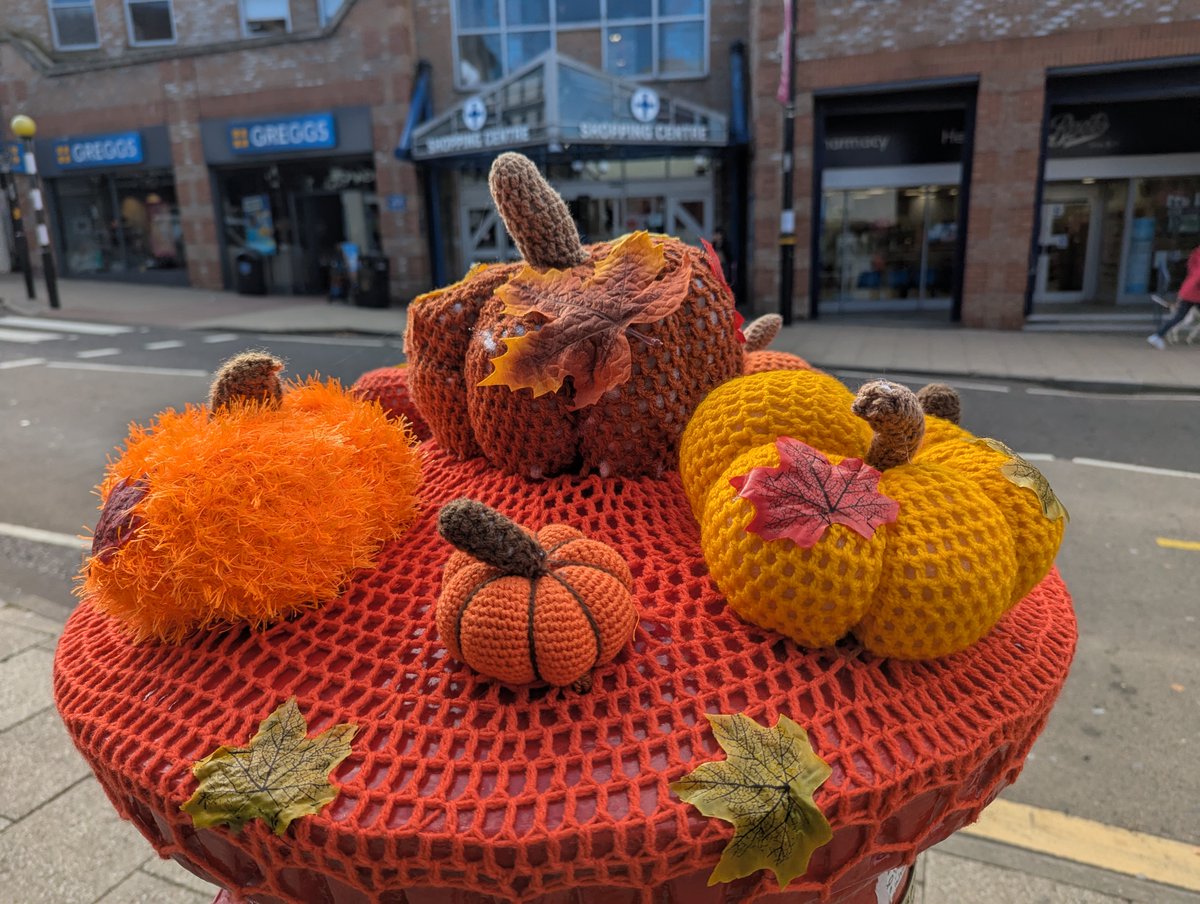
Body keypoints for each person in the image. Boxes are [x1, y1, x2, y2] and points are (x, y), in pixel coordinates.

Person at [1149, 245, 1200, 349]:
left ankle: (1157, 336)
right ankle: (1157, 336)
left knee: (1179, 317)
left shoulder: (1196, 256)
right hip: (1195, 294)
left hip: (1188, 292)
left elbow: (1193, 272)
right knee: (1179, 317)